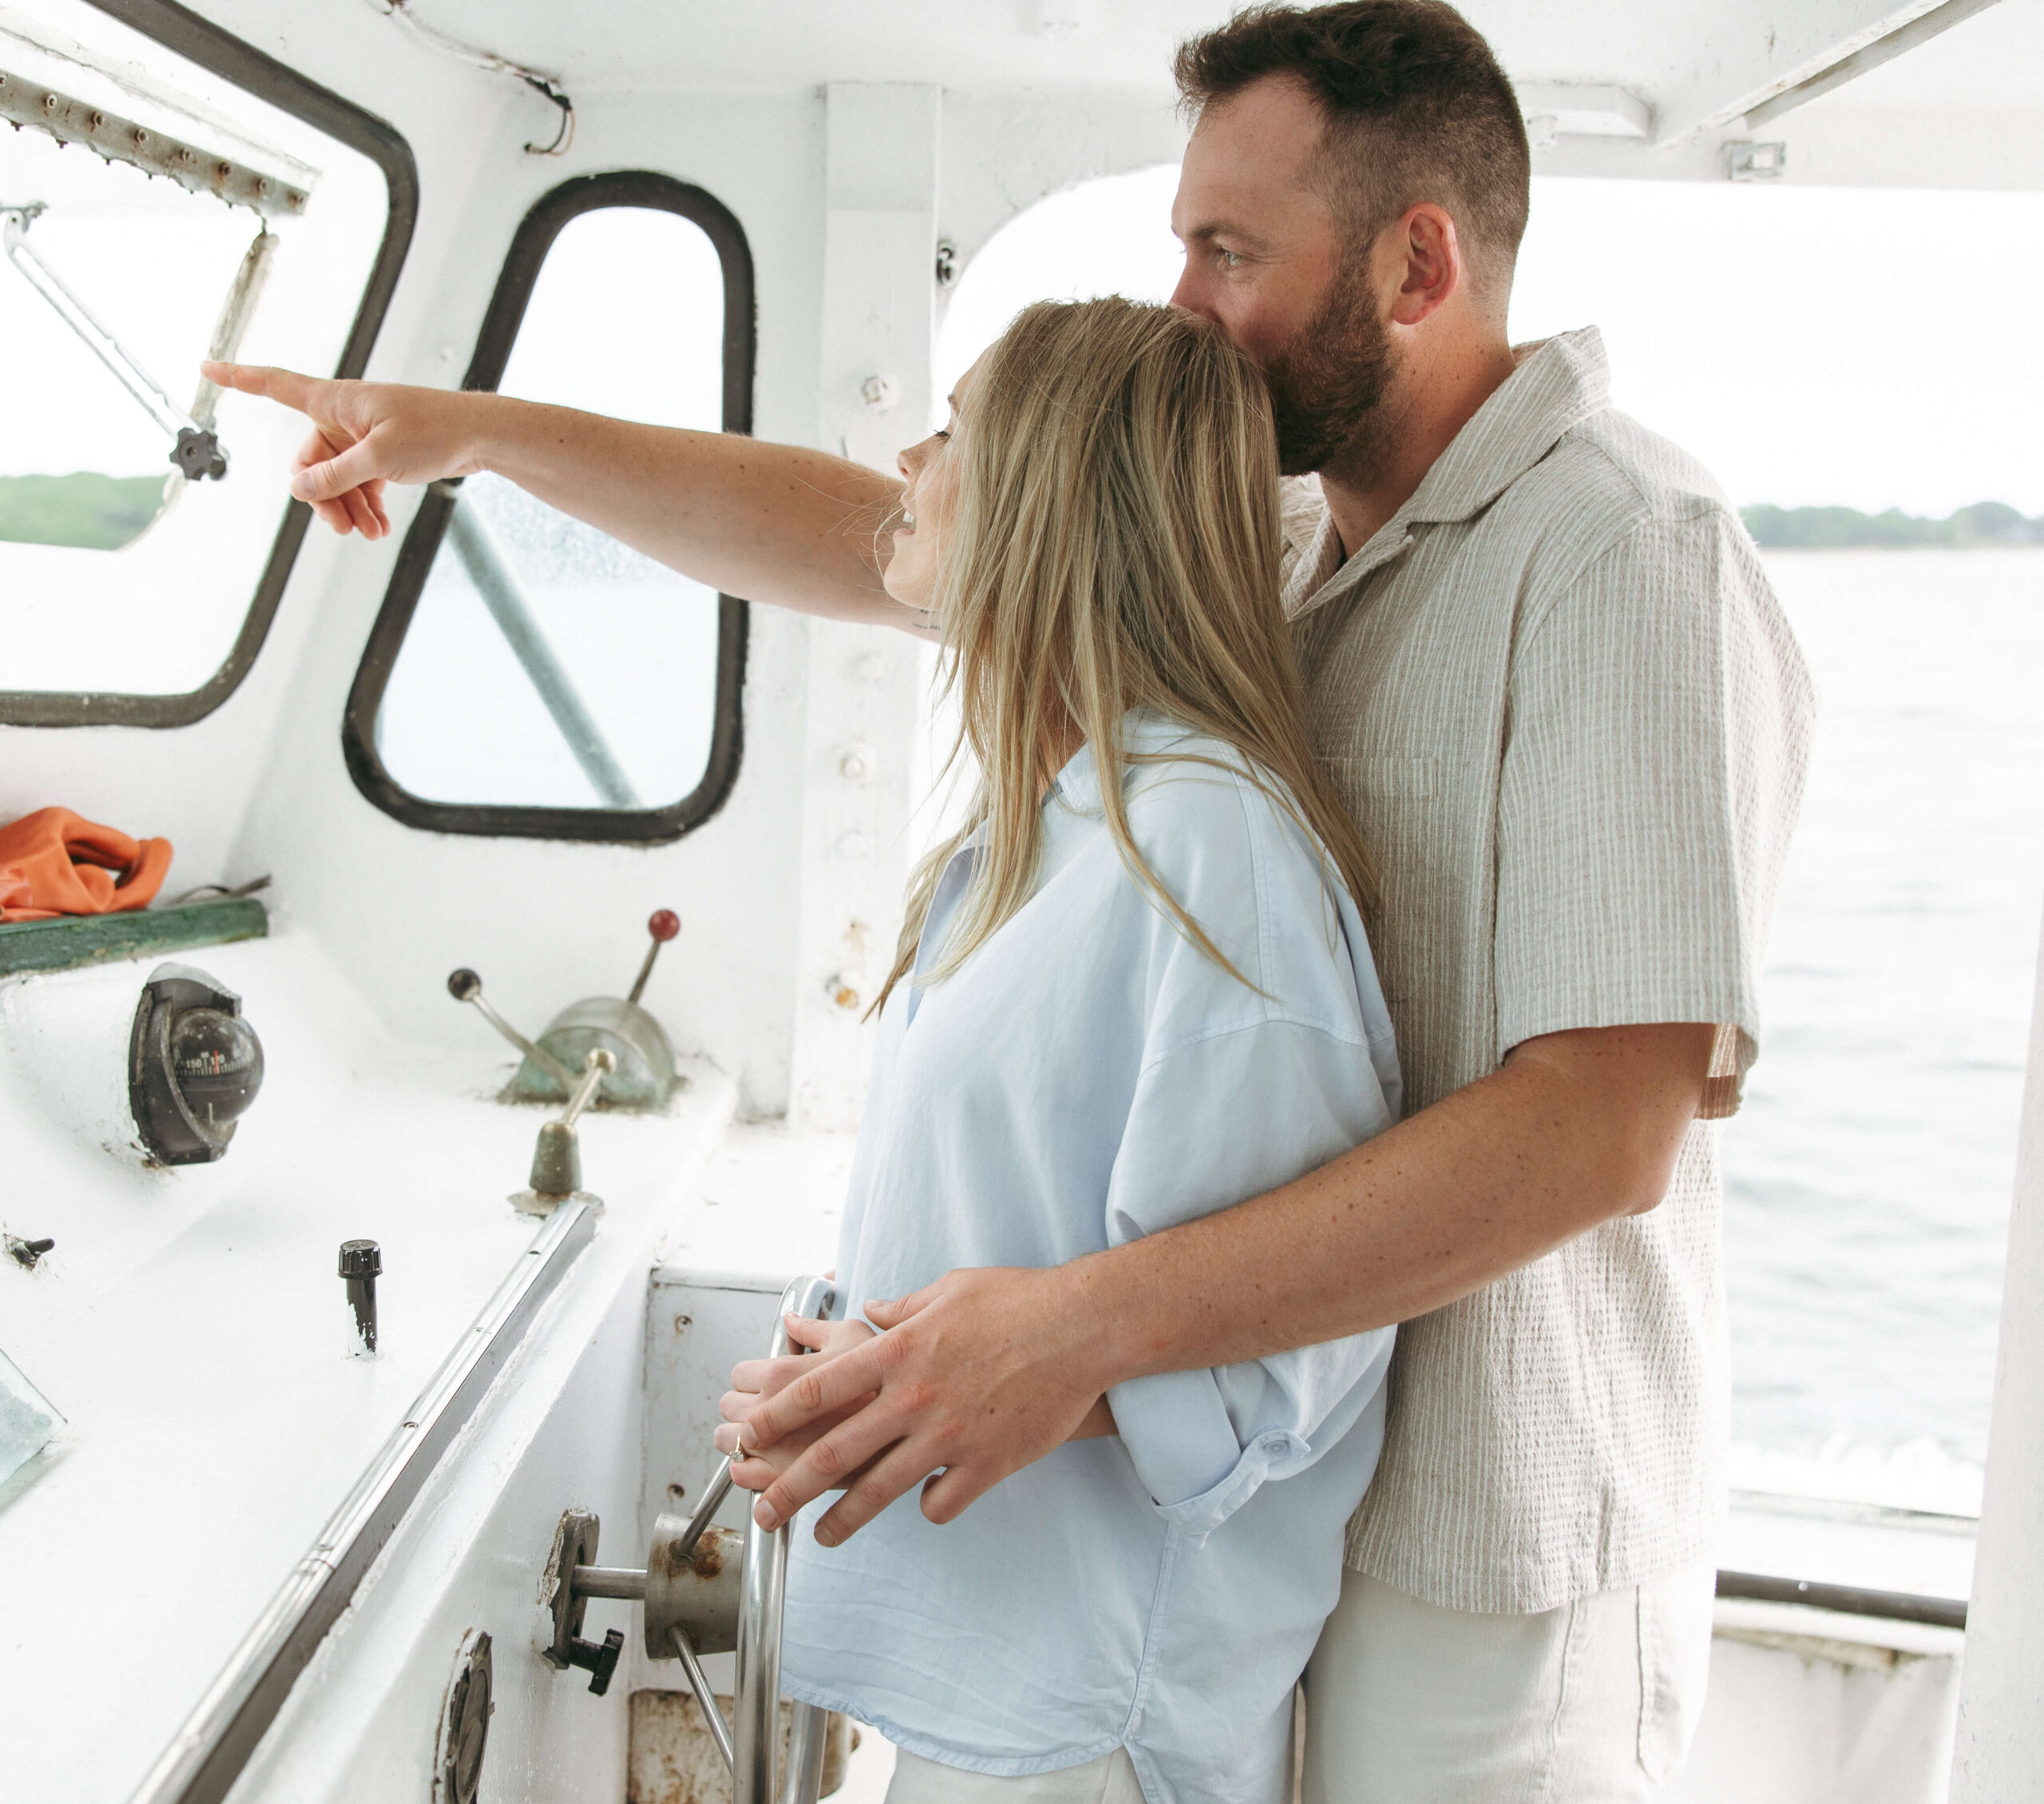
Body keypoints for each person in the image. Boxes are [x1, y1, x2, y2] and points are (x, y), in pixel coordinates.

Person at [208, 4, 1815, 1795]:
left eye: (1230, 251)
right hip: (1254, 1485)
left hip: (1494, 1538)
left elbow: (1603, 1127)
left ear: (1415, 264)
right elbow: (889, 534)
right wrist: (475, 434)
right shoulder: (1289, 531)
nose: (1186, 302)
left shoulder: (1621, 555)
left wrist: (1073, 1332)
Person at [763, 294, 1400, 1802]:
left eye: (955, 431)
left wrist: (933, 1384)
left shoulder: (1208, 853)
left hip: (1097, 1719)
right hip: (994, 1677)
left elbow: (1292, 1348)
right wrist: (861, 1373)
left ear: (1049, 498)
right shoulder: (1046, 827)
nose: (909, 460)